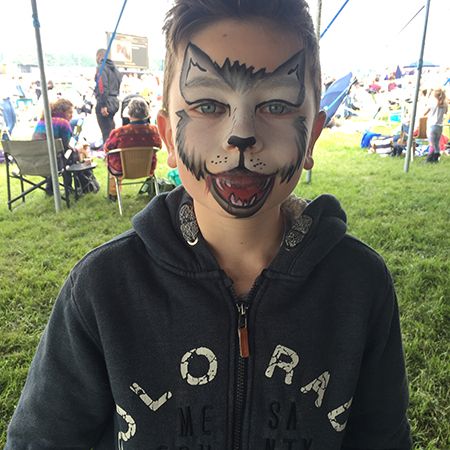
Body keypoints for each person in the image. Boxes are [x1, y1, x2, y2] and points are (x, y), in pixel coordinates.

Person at [6, 1, 412, 448]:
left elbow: (383, 438)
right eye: (208, 104)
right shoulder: (103, 289)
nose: (241, 135)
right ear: (168, 137)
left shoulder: (360, 285)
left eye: (276, 105)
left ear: (312, 136)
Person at [104, 97, 162, 200]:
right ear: (146, 113)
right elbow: (159, 146)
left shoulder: (119, 132)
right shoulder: (153, 130)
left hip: (121, 169)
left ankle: (113, 194)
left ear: (129, 113)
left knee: (110, 160)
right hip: (147, 168)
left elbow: (107, 148)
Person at [94, 48, 123, 146]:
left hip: (106, 102)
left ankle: (109, 151)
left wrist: (103, 104)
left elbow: (102, 87)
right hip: (114, 100)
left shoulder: (101, 68)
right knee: (111, 130)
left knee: (106, 133)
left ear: (99, 56)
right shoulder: (115, 69)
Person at [424, 88, 448, 162]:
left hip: (432, 125)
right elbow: (445, 112)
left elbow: (424, 113)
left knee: (431, 143)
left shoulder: (432, 103)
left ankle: (429, 159)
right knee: (437, 143)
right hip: (440, 126)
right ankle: (436, 158)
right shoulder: (445, 104)